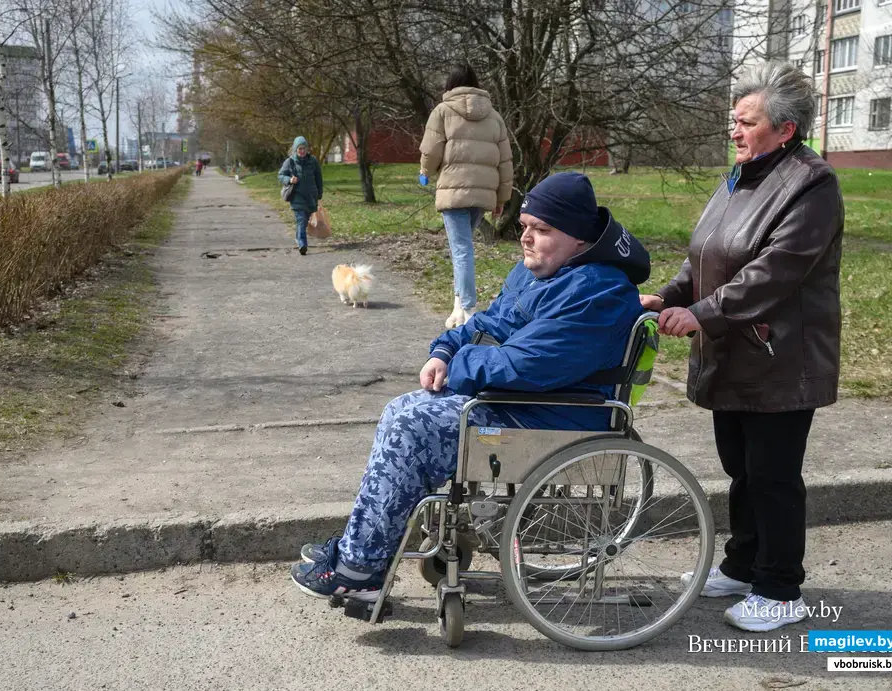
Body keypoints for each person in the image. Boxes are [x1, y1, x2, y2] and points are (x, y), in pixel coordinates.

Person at [291, 172, 651, 601]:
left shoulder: (598, 292)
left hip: (556, 412)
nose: (527, 239)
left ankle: (360, 567)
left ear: (579, 237)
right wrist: (443, 350)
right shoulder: (541, 272)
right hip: (524, 402)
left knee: (413, 424)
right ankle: (363, 550)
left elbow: (526, 365)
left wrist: (459, 364)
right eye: (525, 227)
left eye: (543, 230)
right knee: (403, 411)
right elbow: (489, 324)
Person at [641, 61, 844, 633]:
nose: (734, 131)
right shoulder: (741, 174)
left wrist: (702, 313)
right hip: (734, 351)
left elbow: (774, 272)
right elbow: (706, 253)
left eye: (746, 122)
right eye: (733, 120)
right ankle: (743, 563)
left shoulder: (811, 184)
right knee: (741, 468)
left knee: (773, 473)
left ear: (785, 130)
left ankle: (780, 589)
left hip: (781, 357)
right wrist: (670, 295)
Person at [419, 64, 514, 330]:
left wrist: (425, 172)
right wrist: (501, 198)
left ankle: (470, 310)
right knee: (461, 249)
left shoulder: (443, 111)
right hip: (483, 192)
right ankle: (457, 309)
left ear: (450, 84)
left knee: (462, 250)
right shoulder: (493, 116)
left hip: (453, 190)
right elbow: (506, 161)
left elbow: (431, 149)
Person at [277, 136, 323, 256]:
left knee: (305, 219)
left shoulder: (313, 161)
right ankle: (303, 244)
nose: (302, 151)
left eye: (304, 148)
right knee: (301, 219)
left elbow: (319, 178)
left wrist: (319, 192)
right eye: (299, 149)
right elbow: (281, 176)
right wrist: (290, 179)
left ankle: (298, 238)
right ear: (295, 149)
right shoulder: (290, 161)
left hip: (311, 196)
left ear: (307, 149)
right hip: (297, 196)